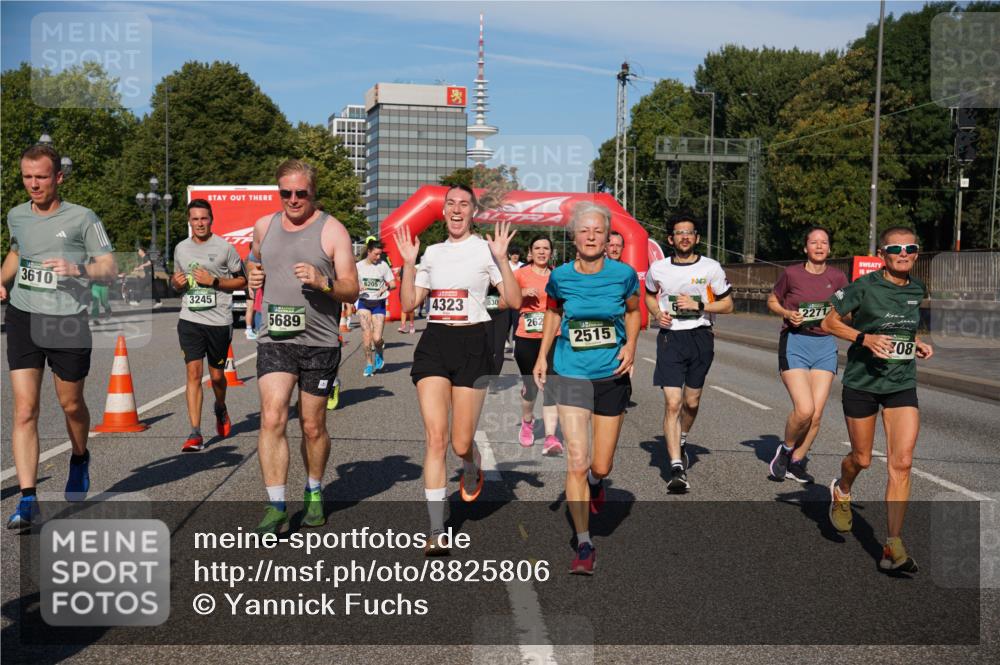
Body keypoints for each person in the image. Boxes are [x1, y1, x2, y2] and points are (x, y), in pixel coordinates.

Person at [395, 184, 521, 556]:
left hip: (473, 345)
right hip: (435, 345)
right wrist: (407, 263)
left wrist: (500, 260)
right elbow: (408, 303)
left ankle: (470, 463)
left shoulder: (485, 250)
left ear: (472, 212)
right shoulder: (430, 253)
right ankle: (437, 529)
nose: (456, 209)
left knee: (459, 442)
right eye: (450, 203)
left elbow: (513, 300)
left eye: (463, 204)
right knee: (435, 438)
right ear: (443, 210)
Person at [3, 144, 117, 528]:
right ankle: (28, 499)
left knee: (71, 406)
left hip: (66, 320)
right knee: (24, 410)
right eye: (27, 177)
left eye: (41, 177)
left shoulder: (84, 218)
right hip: (23, 315)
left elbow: (109, 267)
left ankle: (80, 455)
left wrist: (77, 268)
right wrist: (1, 281)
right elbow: (17, 255)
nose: (33, 184)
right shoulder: (16, 216)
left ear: (59, 178)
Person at [247, 159, 359, 535]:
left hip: (320, 342)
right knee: (273, 416)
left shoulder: (333, 231)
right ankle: (276, 505)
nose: (293, 200)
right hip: (276, 338)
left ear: (313, 193)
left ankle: (313, 490)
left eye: (301, 193)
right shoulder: (264, 226)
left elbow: (352, 288)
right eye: (286, 193)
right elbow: (252, 260)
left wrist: (323, 282)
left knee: (312, 426)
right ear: (278, 191)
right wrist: (252, 275)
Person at [533, 202, 640, 575]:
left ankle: (597, 482)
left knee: (600, 463)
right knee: (576, 461)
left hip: (610, 376)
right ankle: (584, 542)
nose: (592, 237)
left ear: (608, 236)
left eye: (598, 231)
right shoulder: (560, 276)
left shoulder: (624, 274)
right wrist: (543, 355)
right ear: (574, 237)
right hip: (571, 373)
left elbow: (632, 311)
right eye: (584, 231)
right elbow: (553, 312)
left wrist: (631, 346)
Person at [823, 227, 932, 573]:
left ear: (917, 253)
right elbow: (829, 322)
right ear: (882, 254)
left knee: (901, 463)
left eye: (910, 248)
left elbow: (904, 327)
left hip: (901, 383)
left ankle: (893, 546)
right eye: (895, 248)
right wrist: (863, 338)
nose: (904, 253)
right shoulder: (863, 287)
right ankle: (842, 489)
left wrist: (915, 343)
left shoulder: (917, 289)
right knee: (863, 458)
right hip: (863, 383)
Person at [644, 215, 733, 492]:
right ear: (670, 239)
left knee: (691, 403)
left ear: (696, 238)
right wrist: (658, 313)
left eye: (689, 233)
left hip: (700, 337)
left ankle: (682, 438)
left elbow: (728, 304)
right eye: (679, 233)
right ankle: (676, 467)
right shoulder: (658, 269)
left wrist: (700, 303)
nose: (684, 237)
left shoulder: (711, 268)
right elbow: (648, 294)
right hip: (671, 338)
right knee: (673, 402)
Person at [766, 227, 848, 483]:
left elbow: (848, 309)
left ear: (830, 248)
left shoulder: (838, 278)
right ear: (805, 248)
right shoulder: (791, 273)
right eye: (814, 242)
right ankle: (786, 449)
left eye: (824, 242)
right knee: (804, 409)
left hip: (824, 346)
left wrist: (839, 315)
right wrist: (787, 314)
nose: (820, 246)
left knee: (817, 414)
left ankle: (797, 462)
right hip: (795, 342)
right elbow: (772, 300)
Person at [170, 199, 247, 452]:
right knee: (193, 374)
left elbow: (242, 282)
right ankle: (195, 433)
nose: (200, 223)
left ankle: (220, 406)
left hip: (218, 321)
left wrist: (214, 281)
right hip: (190, 320)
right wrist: (176, 283)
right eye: (195, 219)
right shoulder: (181, 248)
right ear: (189, 221)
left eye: (204, 218)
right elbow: (175, 282)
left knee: (216, 378)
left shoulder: (225, 248)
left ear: (211, 220)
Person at [513, 235, 562, 455]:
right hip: (526, 337)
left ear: (551, 252)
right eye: (537, 248)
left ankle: (550, 437)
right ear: (530, 253)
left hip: (553, 336)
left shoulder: (558, 276)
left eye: (546, 248)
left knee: (551, 385)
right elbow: (505, 300)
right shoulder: (520, 274)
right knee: (531, 387)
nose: (542, 252)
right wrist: (521, 293)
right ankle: (527, 422)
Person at [356, 239, 396, 376]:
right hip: (364, 303)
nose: (378, 257)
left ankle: (379, 353)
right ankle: (368, 364)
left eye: (380, 254)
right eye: (376, 254)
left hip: (379, 304)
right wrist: (357, 285)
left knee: (377, 338)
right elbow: (350, 282)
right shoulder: (359, 266)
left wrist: (385, 287)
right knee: (367, 336)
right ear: (369, 252)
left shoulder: (383, 265)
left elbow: (393, 283)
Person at [244, 249, 263, 340]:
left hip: (252, 286)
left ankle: (250, 329)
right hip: (253, 287)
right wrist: (249, 286)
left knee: (252, 309)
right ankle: (250, 329)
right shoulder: (250, 259)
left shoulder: (246, 259)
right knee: (252, 308)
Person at [397, 264, 415, 333]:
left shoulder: (413, 268)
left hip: (411, 290)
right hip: (403, 290)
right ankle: (403, 326)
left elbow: (417, 279)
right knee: (403, 308)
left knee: (411, 309)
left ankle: (411, 325)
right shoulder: (401, 268)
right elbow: (398, 277)